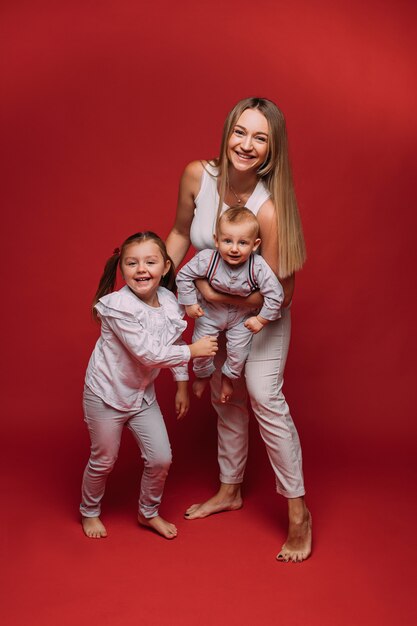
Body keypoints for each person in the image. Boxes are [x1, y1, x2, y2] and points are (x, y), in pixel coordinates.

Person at [166, 97, 312, 562]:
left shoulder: (268, 210)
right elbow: (178, 233)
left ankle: (298, 513)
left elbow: (281, 294)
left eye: (260, 138)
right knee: (226, 394)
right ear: (227, 131)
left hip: (259, 314)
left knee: (262, 394)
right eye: (240, 132)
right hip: (212, 310)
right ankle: (230, 490)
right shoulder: (197, 176)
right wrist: (155, 284)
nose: (246, 145)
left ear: (272, 150)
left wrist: (212, 296)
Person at [80, 231, 218, 540]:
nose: (141, 269)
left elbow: (173, 341)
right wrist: (193, 353)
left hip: (142, 395)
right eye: (132, 263)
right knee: (104, 460)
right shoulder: (118, 307)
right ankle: (90, 511)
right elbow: (149, 353)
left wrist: (182, 384)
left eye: (150, 262)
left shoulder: (169, 301)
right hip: (106, 394)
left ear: (166, 267)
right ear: (123, 268)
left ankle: (148, 512)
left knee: (160, 458)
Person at [176, 206, 283, 403]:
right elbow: (184, 276)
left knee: (238, 351)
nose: (234, 248)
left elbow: (276, 295)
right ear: (216, 240)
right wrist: (190, 304)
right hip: (210, 312)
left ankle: (228, 377)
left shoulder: (257, 266)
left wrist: (261, 319)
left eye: (242, 243)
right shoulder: (208, 259)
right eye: (227, 241)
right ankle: (203, 375)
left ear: (254, 244)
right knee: (201, 346)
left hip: (242, 317)